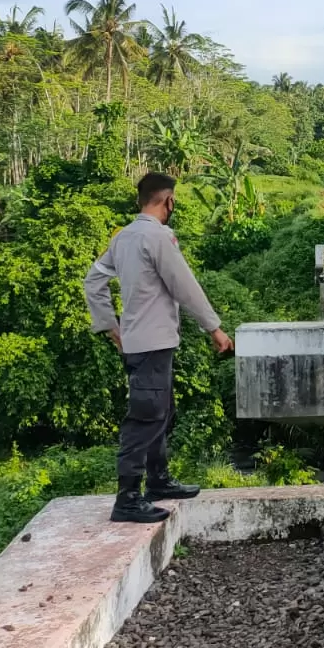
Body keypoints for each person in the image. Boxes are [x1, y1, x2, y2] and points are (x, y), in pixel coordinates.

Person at [86, 172, 233, 524]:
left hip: (139, 342)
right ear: (168, 201)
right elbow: (185, 286)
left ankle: (159, 481)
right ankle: (128, 499)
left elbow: (94, 281)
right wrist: (214, 328)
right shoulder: (157, 237)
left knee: (161, 412)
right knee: (145, 418)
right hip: (153, 343)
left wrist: (110, 325)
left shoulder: (123, 237)